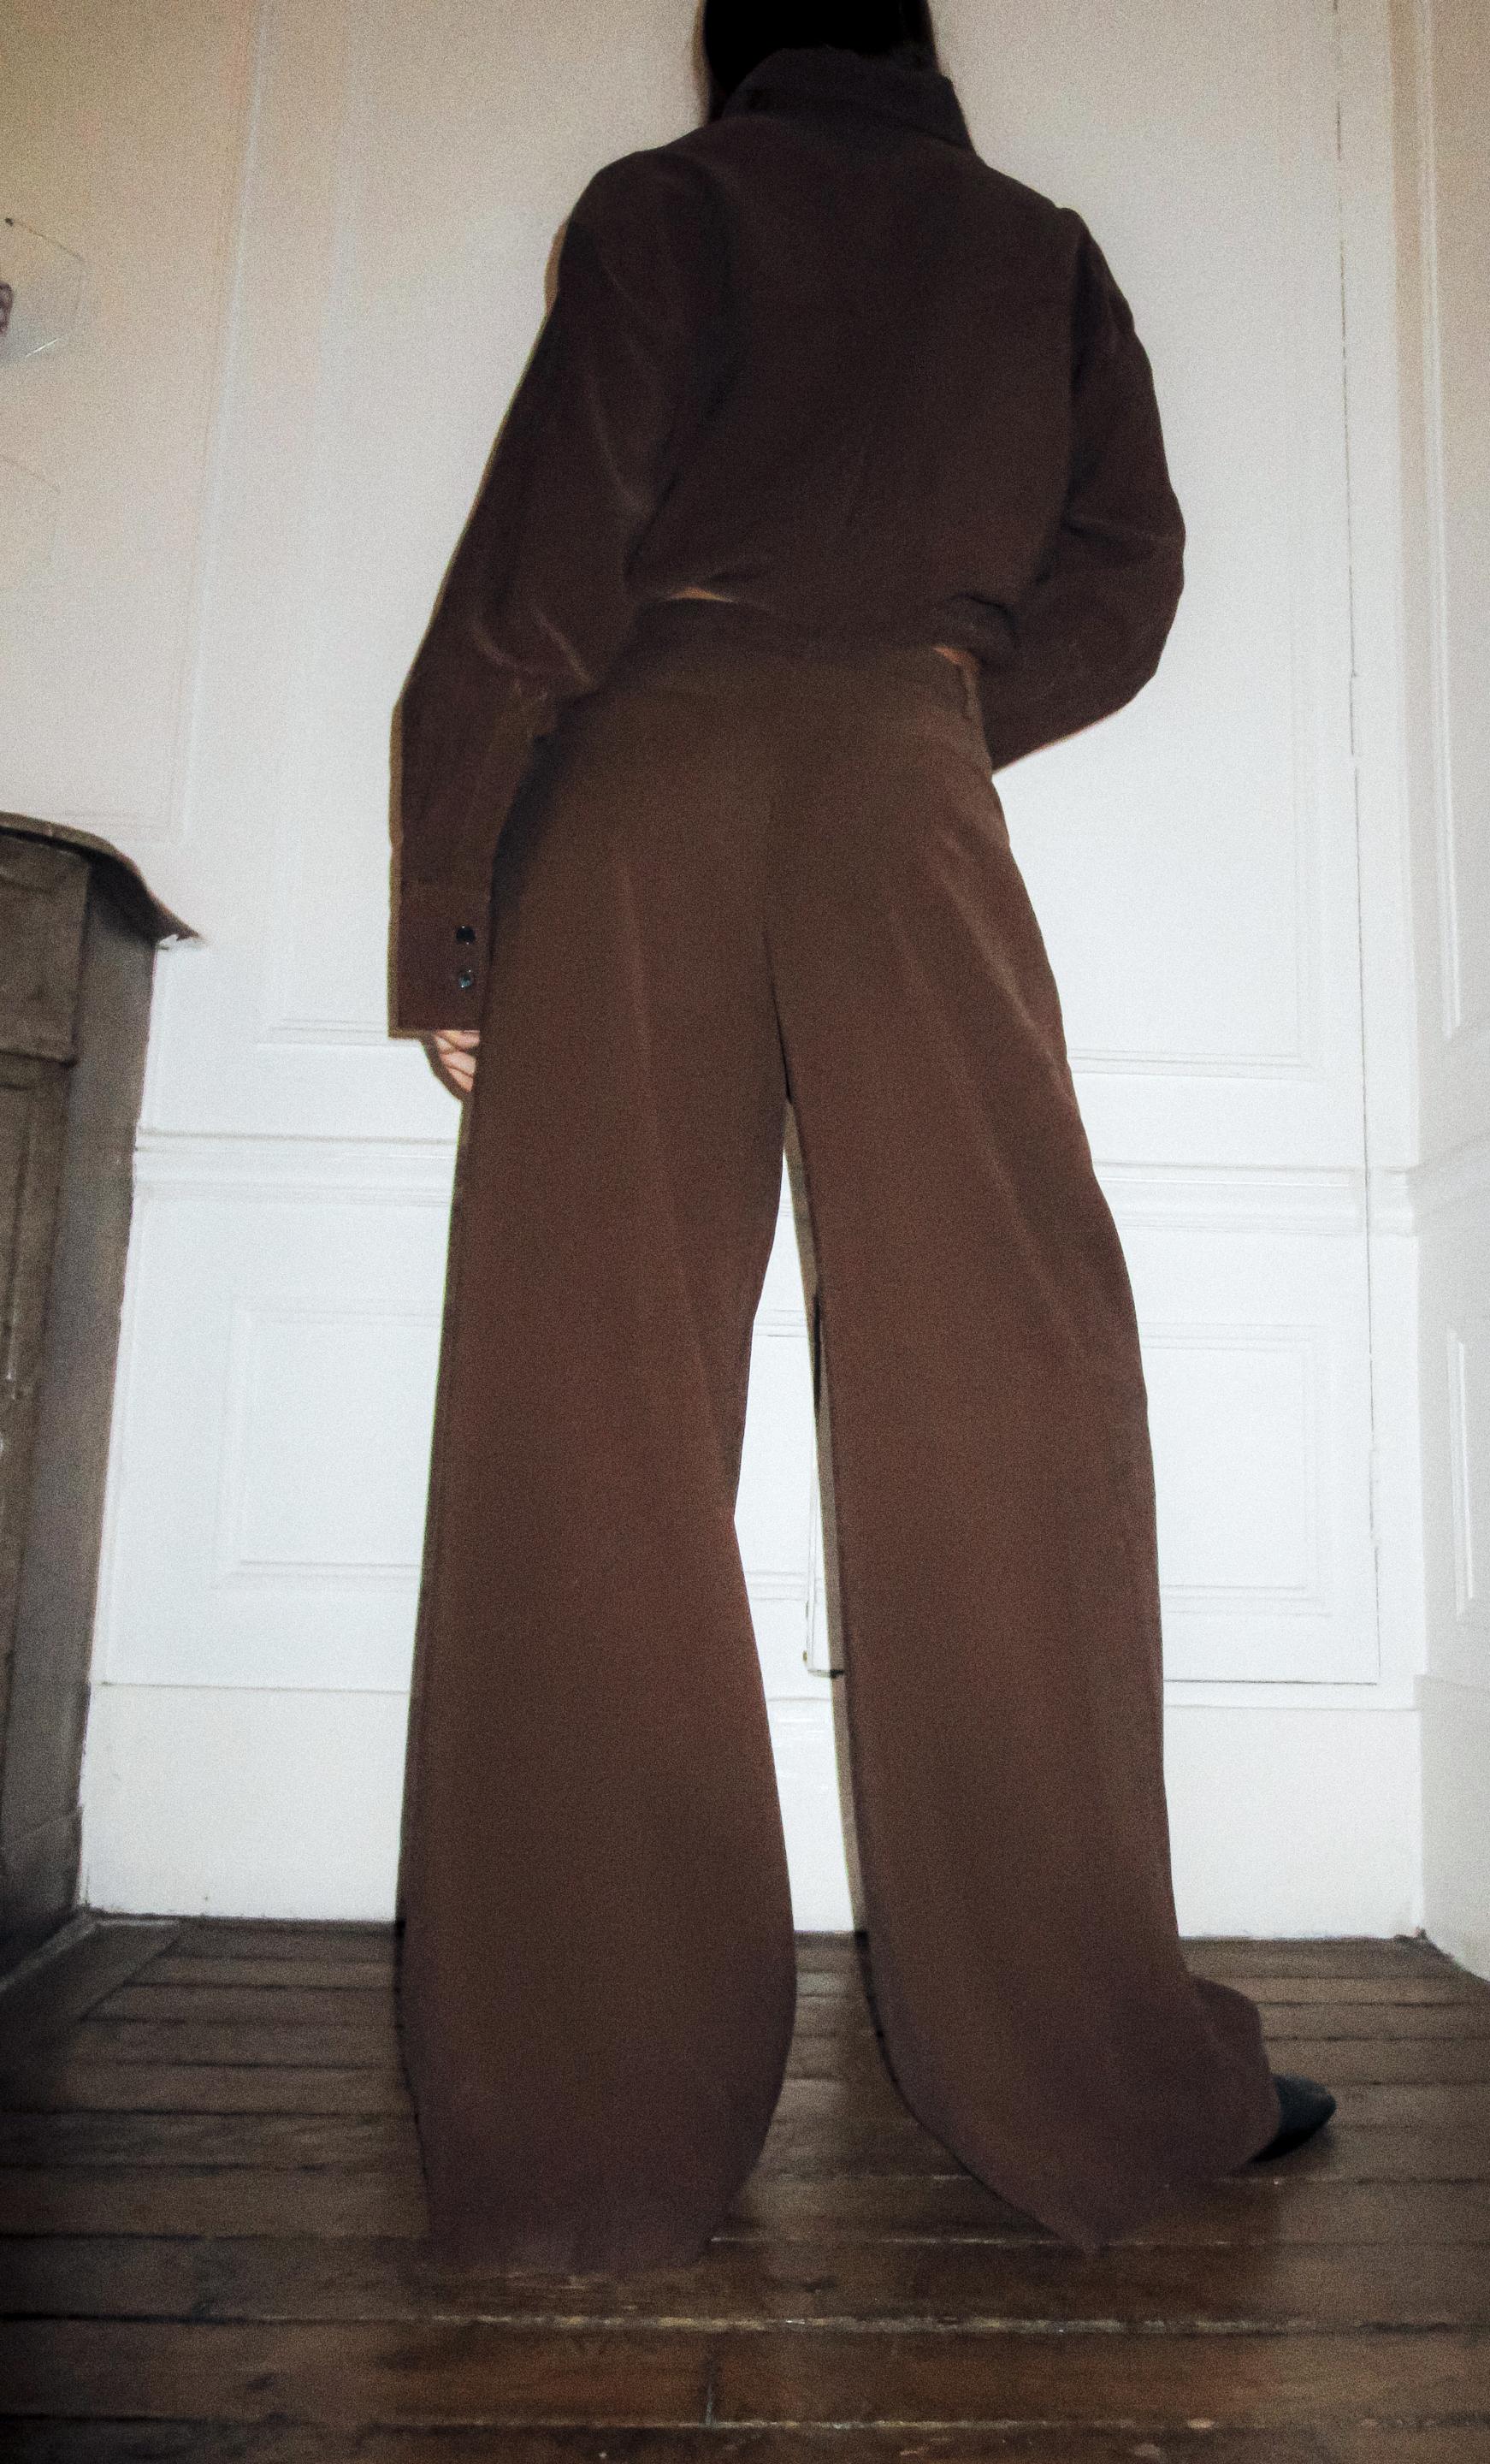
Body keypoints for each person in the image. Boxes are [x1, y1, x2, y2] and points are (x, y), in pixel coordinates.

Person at [387, 0, 1334, 2277]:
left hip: (638, 782)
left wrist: (455, 920)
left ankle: (580, 2132)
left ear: (735, 44)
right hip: (906, 772)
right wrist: (922, 718)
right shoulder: (1044, 251)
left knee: (585, 1422)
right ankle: (1098, 2075)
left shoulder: (671, 207)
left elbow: (536, 570)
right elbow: (1126, 577)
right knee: (1006, 1389)